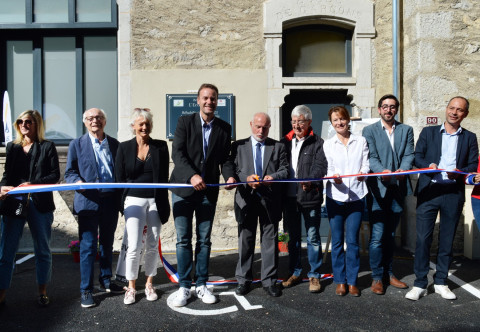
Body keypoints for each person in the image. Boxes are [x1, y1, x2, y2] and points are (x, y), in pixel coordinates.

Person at [169, 83, 236, 307]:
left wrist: (229, 176)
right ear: (198, 100)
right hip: (183, 189)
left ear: (218, 101)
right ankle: (185, 287)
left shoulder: (225, 128)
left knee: (205, 240)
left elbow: (226, 158)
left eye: (213, 98)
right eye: (205, 98)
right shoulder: (184, 122)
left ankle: (201, 284)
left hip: (208, 191)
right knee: (183, 240)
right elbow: (177, 153)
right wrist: (191, 175)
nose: (209, 102)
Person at [406, 96, 478, 301]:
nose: (454, 112)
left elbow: (473, 165)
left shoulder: (470, 137)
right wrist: (428, 166)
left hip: (453, 193)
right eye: (452, 108)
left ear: (465, 114)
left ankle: (440, 282)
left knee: (446, 241)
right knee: (422, 239)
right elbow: (417, 156)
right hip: (429, 191)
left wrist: (460, 172)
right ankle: (420, 283)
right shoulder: (429, 132)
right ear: (446, 109)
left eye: (460, 110)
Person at [0, 110, 60, 307]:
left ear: (37, 124)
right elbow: (8, 175)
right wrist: (2, 188)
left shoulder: (47, 147)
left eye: (28, 121)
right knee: (6, 251)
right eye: (20, 121)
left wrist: (32, 184)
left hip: (39, 203)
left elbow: (53, 176)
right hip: (14, 202)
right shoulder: (12, 147)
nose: (24, 124)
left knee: (42, 249)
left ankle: (42, 291)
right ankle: (1, 293)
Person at [65, 108, 122, 308]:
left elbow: (120, 172)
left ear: (104, 121)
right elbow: (69, 172)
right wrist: (77, 181)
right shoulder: (76, 144)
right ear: (85, 123)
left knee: (107, 244)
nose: (94, 121)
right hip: (88, 201)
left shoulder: (115, 144)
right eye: (90, 118)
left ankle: (106, 280)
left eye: (98, 117)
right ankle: (86, 290)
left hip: (110, 201)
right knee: (88, 247)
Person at [228, 112, 288, 297]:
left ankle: (269, 281)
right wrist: (245, 179)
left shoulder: (277, 146)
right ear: (251, 124)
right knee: (245, 240)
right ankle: (243, 280)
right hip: (246, 199)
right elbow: (233, 170)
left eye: (265, 127)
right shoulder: (238, 146)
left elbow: (285, 170)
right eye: (258, 126)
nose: (261, 130)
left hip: (270, 200)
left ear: (269, 127)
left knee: (269, 241)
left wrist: (274, 177)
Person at [115, 108, 170, 305]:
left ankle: (149, 283)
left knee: (153, 243)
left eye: (147, 124)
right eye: (141, 124)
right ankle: (131, 287)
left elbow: (163, 176)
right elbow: (119, 178)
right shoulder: (124, 148)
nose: (144, 127)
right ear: (133, 127)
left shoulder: (161, 147)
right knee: (134, 246)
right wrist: (122, 204)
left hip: (155, 200)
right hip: (133, 199)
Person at [362, 95, 414, 295]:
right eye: (385, 106)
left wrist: (403, 169)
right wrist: (381, 171)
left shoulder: (406, 130)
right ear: (379, 109)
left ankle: (389, 274)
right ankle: (377, 278)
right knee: (377, 237)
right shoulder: (370, 131)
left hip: (398, 189)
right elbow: (371, 156)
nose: (388, 110)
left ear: (397, 110)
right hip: (378, 190)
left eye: (392, 107)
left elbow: (410, 153)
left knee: (391, 236)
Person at [280, 105, 327, 293]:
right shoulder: (284, 142)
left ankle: (314, 276)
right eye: (294, 121)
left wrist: (311, 180)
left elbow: (320, 166)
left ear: (309, 122)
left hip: (310, 196)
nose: (297, 124)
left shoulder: (318, 142)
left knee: (314, 237)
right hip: (289, 198)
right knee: (291, 238)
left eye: (301, 121)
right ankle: (295, 271)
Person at [323, 106, 369, 297]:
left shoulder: (361, 141)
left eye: (342, 119)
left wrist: (363, 174)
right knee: (336, 242)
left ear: (348, 120)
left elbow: (366, 164)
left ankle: (352, 281)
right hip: (336, 196)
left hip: (357, 196)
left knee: (353, 242)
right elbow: (328, 169)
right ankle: (340, 281)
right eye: (335, 120)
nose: (339, 123)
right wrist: (333, 177)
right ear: (332, 123)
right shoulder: (328, 144)